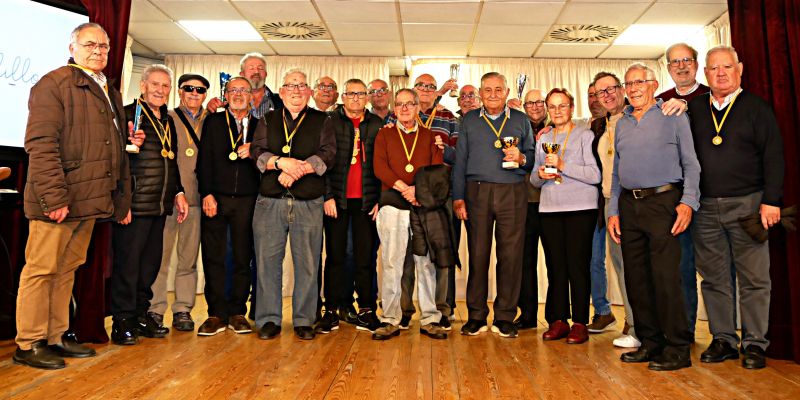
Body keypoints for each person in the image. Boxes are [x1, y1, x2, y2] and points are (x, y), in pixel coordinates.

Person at [13, 22, 138, 369]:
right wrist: (54, 198)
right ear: (72, 48)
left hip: (90, 200)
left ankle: (55, 337)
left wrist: (119, 198)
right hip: (58, 201)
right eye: (89, 45)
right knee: (41, 270)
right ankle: (29, 342)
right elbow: (40, 145)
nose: (98, 51)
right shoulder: (53, 84)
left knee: (67, 269)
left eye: (103, 46)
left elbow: (112, 146)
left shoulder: (107, 90)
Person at [690, 46, 784, 370]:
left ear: (739, 69)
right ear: (705, 74)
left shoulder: (757, 108)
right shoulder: (694, 109)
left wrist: (771, 201)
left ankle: (755, 343)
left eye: (727, 67)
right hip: (704, 208)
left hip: (750, 205)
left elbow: (774, 156)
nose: (720, 73)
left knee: (754, 278)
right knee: (714, 279)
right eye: (714, 68)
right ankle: (724, 340)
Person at [608, 63, 700, 371]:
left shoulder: (673, 116)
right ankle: (650, 342)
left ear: (653, 85)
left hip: (664, 203)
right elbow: (617, 171)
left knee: (665, 278)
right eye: (629, 83)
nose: (633, 88)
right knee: (636, 278)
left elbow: (692, 164)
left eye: (639, 82)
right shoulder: (621, 123)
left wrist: (688, 202)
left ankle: (677, 347)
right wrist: (613, 211)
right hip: (629, 206)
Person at [251, 69, 336, 341]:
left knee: (308, 264)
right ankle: (268, 320)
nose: (296, 91)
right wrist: (280, 163)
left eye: (301, 86)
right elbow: (257, 150)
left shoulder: (322, 120)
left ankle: (304, 319)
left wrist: (297, 170)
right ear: (282, 90)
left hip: (309, 202)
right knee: (266, 262)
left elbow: (328, 154)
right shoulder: (267, 118)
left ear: (309, 91)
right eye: (291, 86)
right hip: (270, 202)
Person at [111, 64, 189, 345]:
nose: (159, 90)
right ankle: (122, 322)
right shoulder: (129, 115)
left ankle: (141, 315)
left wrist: (178, 192)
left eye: (165, 86)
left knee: (149, 267)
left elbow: (172, 161)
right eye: (154, 84)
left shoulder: (168, 120)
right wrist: (123, 202)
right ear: (142, 85)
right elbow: (117, 160)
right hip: (135, 205)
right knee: (128, 267)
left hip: (159, 206)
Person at [453, 72, 533, 338]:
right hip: (477, 191)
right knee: (478, 254)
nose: (494, 94)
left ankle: (505, 316)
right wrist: (458, 196)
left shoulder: (521, 119)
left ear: (507, 90)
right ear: (480, 93)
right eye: (488, 90)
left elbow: (532, 156)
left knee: (510, 256)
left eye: (499, 89)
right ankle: (476, 314)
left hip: (513, 191)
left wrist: (521, 157)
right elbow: (460, 160)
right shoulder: (469, 120)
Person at [371, 88, 448, 341]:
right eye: (400, 104)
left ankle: (430, 318)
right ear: (394, 109)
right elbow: (380, 167)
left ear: (417, 107)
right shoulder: (385, 134)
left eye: (410, 104)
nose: (405, 109)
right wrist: (405, 188)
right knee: (392, 263)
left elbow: (436, 168)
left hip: (422, 205)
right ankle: (390, 318)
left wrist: (418, 191)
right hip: (393, 204)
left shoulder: (430, 136)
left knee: (425, 263)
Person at [531, 88, 600, 345]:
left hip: (580, 209)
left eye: (562, 106)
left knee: (577, 267)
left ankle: (580, 321)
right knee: (555, 267)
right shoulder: (544, 137)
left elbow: (595, 175)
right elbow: (534, 180)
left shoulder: (585, 134)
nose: (557, 111)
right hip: (549, 209)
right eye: (552, 106)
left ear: (571, 108)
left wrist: (562, 166)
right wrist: (541, 174)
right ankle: (557, 320)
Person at [195, 77, 261, 336]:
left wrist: (254, 150)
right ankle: (215, 313)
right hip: (217, 198)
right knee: (214, 254)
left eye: (243, 90)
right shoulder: (213, 122)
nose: (238, 94)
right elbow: (205, 161)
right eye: (233, 90)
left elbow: (268, 161)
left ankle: (237, 312)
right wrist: (207, 193)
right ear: (226, 94)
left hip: (248, 199)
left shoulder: (260, 126)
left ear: (251, 95)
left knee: (243, 255)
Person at [317, 79, 383, 334]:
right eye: (351, 94)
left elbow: (382, 165)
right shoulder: (330, 121)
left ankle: (366, 308)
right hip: (338, 201)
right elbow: (321, 162)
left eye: (360, 94)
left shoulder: (376, 124)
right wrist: (327, 196)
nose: (356, 98)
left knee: (365, 257)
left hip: (367, 203)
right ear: (342, 96)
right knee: (335, 256)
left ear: (367, 97)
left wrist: (379, 199)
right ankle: (332, 309)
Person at [396, 73, 460, 331]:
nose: (425, 90)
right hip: (406, 193)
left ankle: (442, 309)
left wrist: (444, 149)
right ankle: (404, 310)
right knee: (407, 256)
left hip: (437, 195)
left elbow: (458, 155)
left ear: (436, 92)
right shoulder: (401, 113)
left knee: (439, 253)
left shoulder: (448, 118)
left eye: (431, 87)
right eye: (421, 86)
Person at [148, 73, 209, 332]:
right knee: (160, 258)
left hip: (197, 200)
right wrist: (176, 192)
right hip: (170, 199)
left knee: (188, 260)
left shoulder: (214, 120)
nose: (194, 94)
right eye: (189, 89)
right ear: (180, 92)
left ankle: (183, 308)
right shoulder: (166, 118)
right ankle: (155, 309)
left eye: (200, 90)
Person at [658, 42, 710, 337]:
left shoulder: (711, 95)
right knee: (682, 268)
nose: (681, 66)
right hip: (677, 199)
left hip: (714, 194)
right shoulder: (659, 102)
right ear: (667, 68)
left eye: (686, 60)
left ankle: (723, 336)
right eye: (675, 62)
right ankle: (685, 331)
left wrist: (689, 106)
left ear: (696, 63)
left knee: (716, 271)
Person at [589, 72, 639, 348]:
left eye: (611, 89)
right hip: (611, 203)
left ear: (623, 89)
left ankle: (644, 326)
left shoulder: (638, 117)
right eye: (600, 92)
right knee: (621, 267)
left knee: (635, 267)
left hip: (636, 201)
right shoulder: (601, 124)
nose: (606, 95)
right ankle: (633, 324)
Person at [515, 88, 550, 330]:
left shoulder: (560, 126)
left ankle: (557, 317)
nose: (535, 107)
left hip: (554, 205)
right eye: (530, 103)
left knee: (555, 262)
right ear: (524, 107)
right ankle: (527, 315)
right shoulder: (516, 128)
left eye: (539, 102)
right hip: (523, 204)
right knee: (524, 262)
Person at [207, 52, 283, 116]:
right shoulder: (228, 101)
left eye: (260, 68)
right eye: (251, 68)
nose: (256, 72)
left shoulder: (281, 101)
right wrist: (210, 109)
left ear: (266, 74)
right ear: (242, 74)